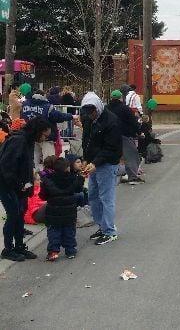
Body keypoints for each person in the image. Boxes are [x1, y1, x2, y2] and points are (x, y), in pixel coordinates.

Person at [0, 117, 51, 261]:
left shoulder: (27, 140)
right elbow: (6, 167)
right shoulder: (18, 141)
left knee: (20, 214)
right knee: (13, 215)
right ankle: (8, 249)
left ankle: (19, 246)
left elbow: (24, 164)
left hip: (20, 185)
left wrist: (30, 179)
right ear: (38, 131)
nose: (44, 139)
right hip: (7, 185)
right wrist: (19, 185)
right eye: (44, 135)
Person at [81, 92, 122, 246]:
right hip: (93, 162)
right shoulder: (87, 118)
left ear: (98, 108)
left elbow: (111, 147)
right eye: (88, 112)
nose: (91, 115)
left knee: (106, 198)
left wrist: (95, 163)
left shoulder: (112, 121)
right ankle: (102, 226)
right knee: (93, 196)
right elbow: (86, 139)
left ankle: (110, 231)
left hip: (107, 163)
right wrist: (86, 159)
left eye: (93, 112)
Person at [40, 158, 85, 261]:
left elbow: (43, 196)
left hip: (53, 211)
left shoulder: (48, 180)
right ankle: (70, 250)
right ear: (68, 168)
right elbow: (79, 189)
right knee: (69, 230)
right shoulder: (74, 178)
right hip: (69, 211)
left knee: (54, 232)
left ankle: (53, 252)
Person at [21, 89, 76, 166]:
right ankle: (47, 176)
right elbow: (58, 116)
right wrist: (71, 116)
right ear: (43, 96)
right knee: (49, 161)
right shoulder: (47, 106)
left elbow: (22, 118)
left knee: (34, 160)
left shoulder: (25, 105)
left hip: (32, 136)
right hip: (46, 137)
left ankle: (36, 175)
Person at [106, 90, 143, 183]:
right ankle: (133, 177)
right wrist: (139, 132)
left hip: (109, 136)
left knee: (111, 156)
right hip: (124, 135)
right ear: (121, 98)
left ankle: (110, 176)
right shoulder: (125, 108)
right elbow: (133, 122)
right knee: (131, 156)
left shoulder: (106, 108)